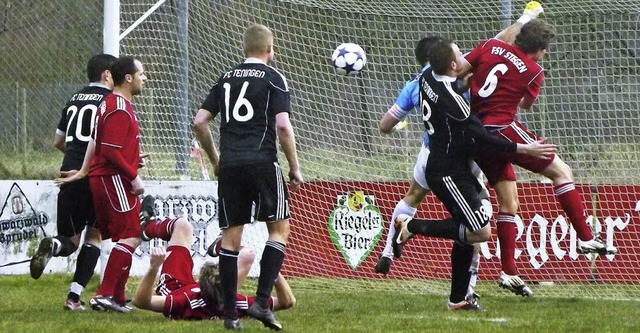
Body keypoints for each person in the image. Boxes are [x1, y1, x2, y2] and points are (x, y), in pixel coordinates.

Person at [375, 2, 546, 300]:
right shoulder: (454, 101)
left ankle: (454, 292)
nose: (462, 56)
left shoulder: (421, 79)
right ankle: (419, 237)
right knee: (478, 228)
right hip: (456, 161)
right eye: (458, 54)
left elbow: (385, 124)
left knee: (430, 201)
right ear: (453, 64)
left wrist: (398, 124)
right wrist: (523, 147)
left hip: (429, 154)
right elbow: (482, 135)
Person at [459, 16, 616, 297]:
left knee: (509, 203)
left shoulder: (489, 46)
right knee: (561, 171)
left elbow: (460, 70)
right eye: (546, 49)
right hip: (502, 129)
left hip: (476, 134)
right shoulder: (533, 71)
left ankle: (508, 272)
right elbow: (526, 105)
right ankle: (586, 238)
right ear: (540, 48)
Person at [193, 24, 303, 330]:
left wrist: (216, 160)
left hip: (230, 167)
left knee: (230, 238)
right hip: (262, 163)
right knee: (279, 231)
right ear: (270, 49)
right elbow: (282, 126)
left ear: (245, 49)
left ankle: (230, 315)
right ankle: (260, 302)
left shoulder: (226, 78)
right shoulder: (274, 77)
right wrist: (294, 166)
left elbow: (200, 121)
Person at [30, 54, 117, 311]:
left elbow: (57, 141)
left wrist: (75, 160)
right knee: (95, 236)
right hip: (95, 176)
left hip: (68, 174)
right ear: (106, 74)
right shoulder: (111, 101)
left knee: (70, 240)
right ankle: (74, 297)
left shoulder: (73, 99)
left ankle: (53, 245)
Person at [132, 199, 295, 321]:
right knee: (248, 254)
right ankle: (221, 247)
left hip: (176, 284)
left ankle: (148, 228)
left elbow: (141, 301)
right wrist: (272, 272)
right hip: (206, 293)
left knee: (183, 225)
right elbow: (287, 302)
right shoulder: (238, 304)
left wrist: (153, 268)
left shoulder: (185, 301)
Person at [84, 56, 148, 313]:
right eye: (142, 73)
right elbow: (109, 151)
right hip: (113, 179)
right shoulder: (119, 106)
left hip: (110, 177)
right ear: (128, 78)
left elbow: (110, 145)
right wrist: (133, 176)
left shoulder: (113, 103)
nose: (146, 78)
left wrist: (132, 159)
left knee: (127, 235)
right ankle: (104, 294)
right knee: (131, 235)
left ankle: (118, 297)